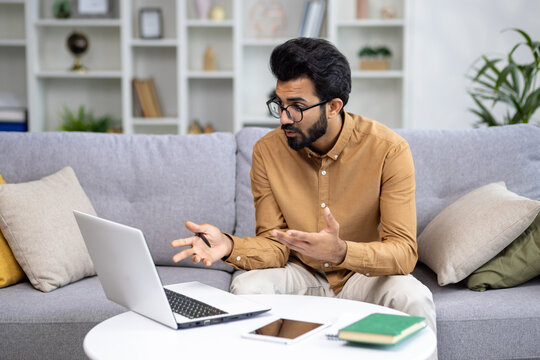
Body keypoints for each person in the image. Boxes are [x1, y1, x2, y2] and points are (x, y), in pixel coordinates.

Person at [171, 37, 436, 354]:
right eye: (280, 105)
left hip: (362, 275)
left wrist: (340, 252)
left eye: (296, 107)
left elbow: (404, 252)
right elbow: (274, 245)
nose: (284, 118)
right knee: (246, 286)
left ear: (334, 106)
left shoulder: (388, 150)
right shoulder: (267, 151)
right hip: (301, 274)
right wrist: (229, 245)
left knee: (413, 297)